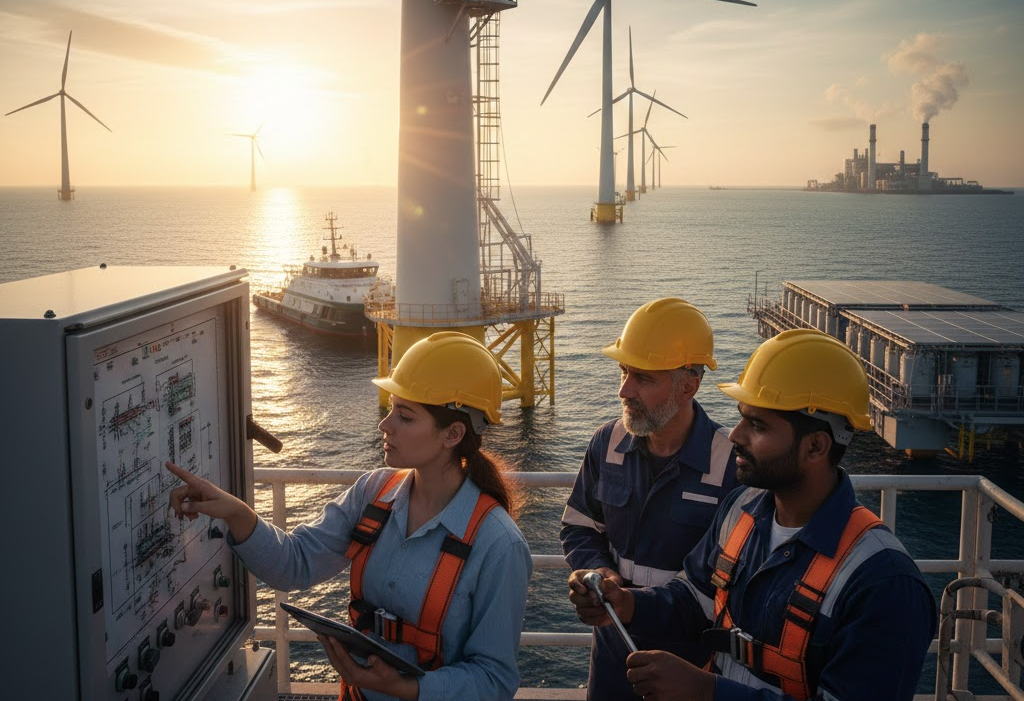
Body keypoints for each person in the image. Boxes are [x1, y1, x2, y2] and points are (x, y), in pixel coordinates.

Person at [569, 329, 937, 701]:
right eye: (742, 418)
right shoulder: (740, 510)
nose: (735, 436)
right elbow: (694, 599)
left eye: (758, 426)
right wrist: (627, 603)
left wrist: (706, 691)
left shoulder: (883, 583)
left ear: (815, 446)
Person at [167, 331, 533, 701]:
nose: (385, 424)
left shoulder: (499, 544)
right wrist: (236, 512)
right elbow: (293, 563)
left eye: (404, 416)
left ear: (453, 433)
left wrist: (403, 688)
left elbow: (495, 680)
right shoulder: (373, 493)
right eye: (391, 408)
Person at [561, 298, 739, 701]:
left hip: (691, 668)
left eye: (642, 377)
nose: (624, 389)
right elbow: (579, 525)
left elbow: (726, 580)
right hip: (612, 656)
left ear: (688, 385)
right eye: (623, 371)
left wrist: (631, 604)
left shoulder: (730, 465)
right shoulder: (607, 443)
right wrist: (596, 571)